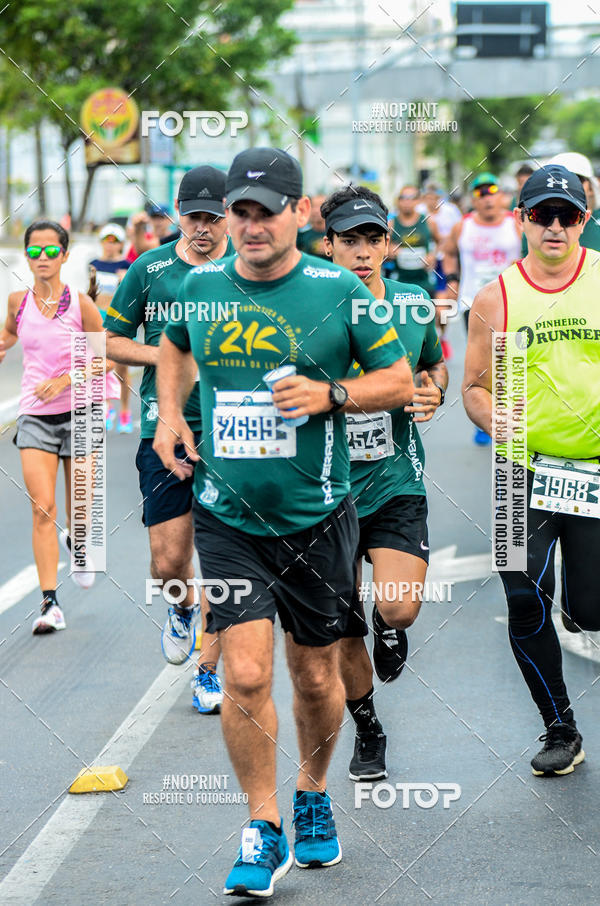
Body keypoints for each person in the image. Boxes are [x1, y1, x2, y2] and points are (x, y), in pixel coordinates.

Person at [154, 147, 414, 899]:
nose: (252, 224)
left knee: (314, 676)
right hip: (227, 516)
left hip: (319, 516)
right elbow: (172, 350)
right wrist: (171, 415)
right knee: (243, 670)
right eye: (241, 210)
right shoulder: (199, 286)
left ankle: (311, 792)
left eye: (268, 210)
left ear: (300, 213)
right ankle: (262, 826)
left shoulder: (340, 290)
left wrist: (331, 395)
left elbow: (397, 380)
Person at [463, 164, 600, 776]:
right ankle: (560, 729)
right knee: (523, 597)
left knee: (591, 610)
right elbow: (474, 388)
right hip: (521, 473)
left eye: (566, 216)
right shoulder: (498, 297)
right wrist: (505, 426)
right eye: (541, 214)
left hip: (594, 469)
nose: (553, 226)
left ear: (584, 222)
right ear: (522, 220)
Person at [320, 186, 448, 782]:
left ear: (389, 244)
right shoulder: (303, 309)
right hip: (325, 490)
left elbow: (433, 364)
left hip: (396, 481)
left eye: (373, 239)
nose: (363, 252)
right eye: (350, 241)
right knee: (338, 622)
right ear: (329, 246)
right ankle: (367, 728)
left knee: (397, 607)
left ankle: (388, 628)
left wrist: (434, 389)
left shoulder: (412, 303)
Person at [105, 166, 230, 713]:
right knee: (169, 562)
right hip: (167, 429)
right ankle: (182, 607)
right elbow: (110, 340)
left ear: (229, 216)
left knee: (227, 564)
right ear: (177, 214)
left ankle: (208, 671)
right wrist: (168, 356)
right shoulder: (150, 269)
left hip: (233, 432)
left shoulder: (246, 269)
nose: (202, 227)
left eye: (212, 217)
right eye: (193, 216)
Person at [0, 221, 104, 632]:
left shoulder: (81, 305)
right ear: (26, 256)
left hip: (80, 410)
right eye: (34, 251)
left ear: (64, 255)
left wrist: (65, 379)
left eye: (50, 251)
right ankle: (50, 605)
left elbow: (104, 359)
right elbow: (8, 335)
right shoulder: (16, 303)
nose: (42, 258)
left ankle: (79, 542)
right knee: (42, 508)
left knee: (82, 506)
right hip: (35, 417)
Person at [444, 172, 522, 445]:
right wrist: (452, 280)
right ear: (473, 199)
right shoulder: (463, 227)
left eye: (492, 191)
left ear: (501, 196)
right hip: (473, 302)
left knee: (511, 359)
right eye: (480, 193)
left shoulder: (516, 224)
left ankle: (513, 414)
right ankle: (484, 417)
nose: (487, 198)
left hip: (512, 300)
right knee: (483, 361)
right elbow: (449, 253)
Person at [89, 222, 132, 432]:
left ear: (121, 244)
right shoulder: (93, 264)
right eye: (106, 240)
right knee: (102, 365)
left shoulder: (127, 265)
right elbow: (90, 294)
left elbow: (131, 296)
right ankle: (106, 406)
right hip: (98, 318)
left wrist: (123, 282)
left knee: (121, 367)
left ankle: (125, 410)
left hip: (119, 318)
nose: (110, 245)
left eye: (114, 241)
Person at [421, 181, 462, 360]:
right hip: (423, 266)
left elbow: (459, 234)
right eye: (428, 198)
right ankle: (426, 343)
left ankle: (443, 337)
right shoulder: (420, 212)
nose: (432, 201)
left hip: (443, 264)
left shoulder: (451, 211)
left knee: (441, 310)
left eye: (435, 197)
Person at [388, 185, 437, 294]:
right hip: (400, 282)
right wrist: (388, 252)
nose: (406, 202)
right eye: (403, 197)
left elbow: (441, 243)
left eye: (411, 198)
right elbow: (381, 251)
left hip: (425, 282)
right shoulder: (391, 224)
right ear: (398, 200)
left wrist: (433, 255)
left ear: (418, 201)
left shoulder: (429, 221)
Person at [296, 193, 327, 258]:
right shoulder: (301, 235)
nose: (315, 210)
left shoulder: (336, 236)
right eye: (313, 206)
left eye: (320, 206)